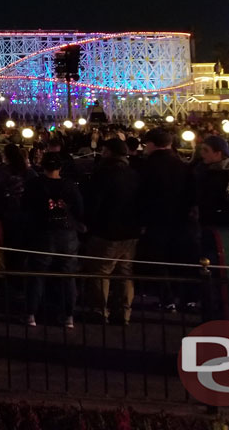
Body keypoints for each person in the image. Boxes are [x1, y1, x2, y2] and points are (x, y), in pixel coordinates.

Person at [135, 128, 196, 311]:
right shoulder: (183, 166)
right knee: (182, 261)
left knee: (159, 262)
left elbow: (141, 196)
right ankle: (187, 298)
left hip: (156, 220)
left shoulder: (146, 167)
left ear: (152, 144)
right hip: (181, 220)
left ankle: (167, 299)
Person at [83, 137, 143, 325]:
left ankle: (101, 310)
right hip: (131, 230)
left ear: (109, 152)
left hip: (107, 230)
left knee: (101, 271)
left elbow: (94, 202)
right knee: (125, 273)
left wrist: (89, 223)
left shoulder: (103, 173)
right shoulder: (133, 173)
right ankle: (125, 311)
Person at [23, 152, 83, 328]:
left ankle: (31, 314)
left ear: (43, 166)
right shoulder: (69, 185)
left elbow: (25, 207)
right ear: (60, 168)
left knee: (36, 274)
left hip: (42, 231)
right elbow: (80, 208)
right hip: (66, 232)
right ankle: (68, 315)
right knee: (67, 275)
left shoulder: (34, 184)